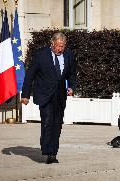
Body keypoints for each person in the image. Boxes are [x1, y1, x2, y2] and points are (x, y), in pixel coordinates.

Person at [21, 32, 76, 164]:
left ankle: (53, 153)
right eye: (58, 46)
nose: (60, 49)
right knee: (47, 121)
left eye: (62, 46)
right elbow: (30, 75)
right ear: (52, 44)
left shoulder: (68, 55)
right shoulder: (41, 54)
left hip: (60, 95)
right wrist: (25, 95)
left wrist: (72, 86)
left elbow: (72, 73)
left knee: (57, 124)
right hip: (45, 94)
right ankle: (47, 149)